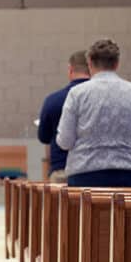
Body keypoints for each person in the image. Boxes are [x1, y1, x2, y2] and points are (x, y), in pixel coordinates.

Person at [57, 39, 131, 187]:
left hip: (85, 174)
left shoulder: (77, 93)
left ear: (90, 63)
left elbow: (65, 141)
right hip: (129, 174)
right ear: (117, 63)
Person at [37, 50, 90, 182]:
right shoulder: (102, 99)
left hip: (62, 169)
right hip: (93, 170)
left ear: (70, 69)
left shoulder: (53, 100)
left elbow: (43, 137)